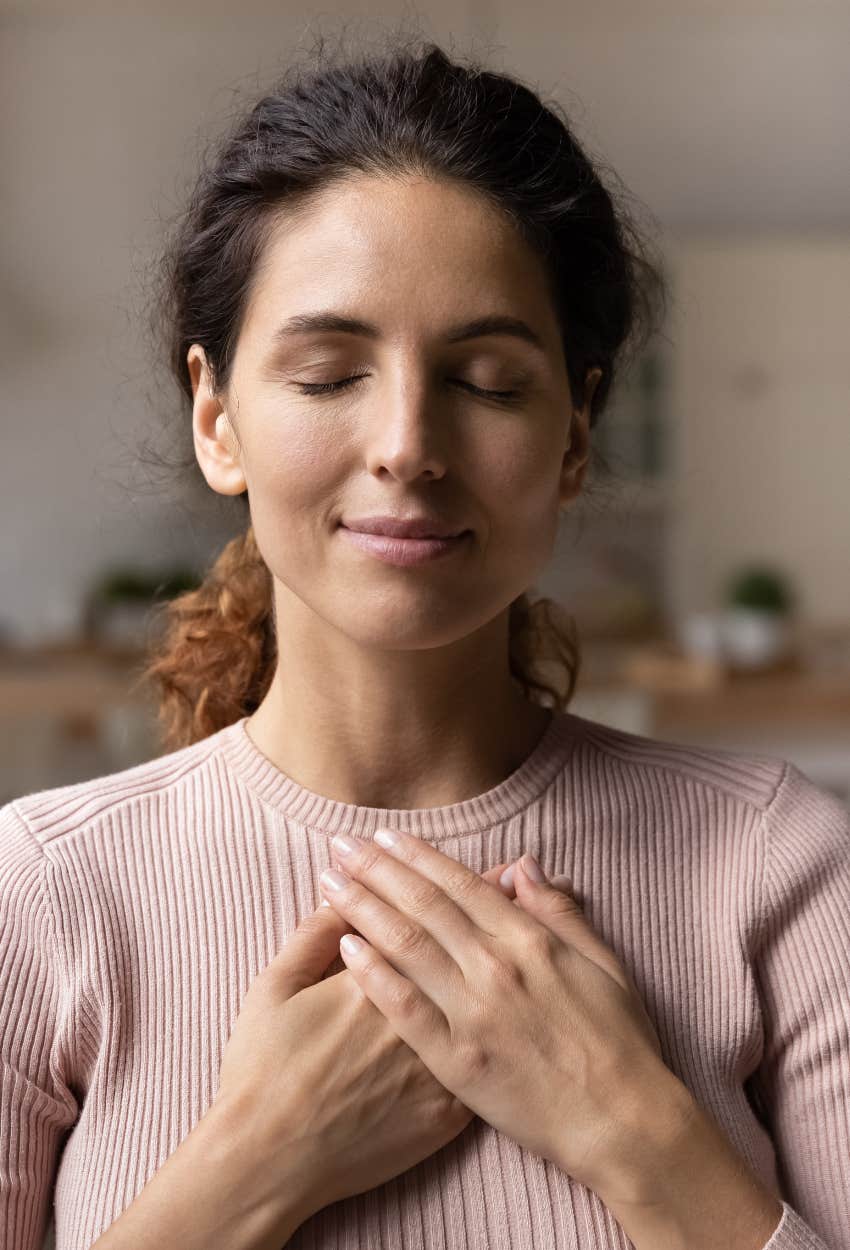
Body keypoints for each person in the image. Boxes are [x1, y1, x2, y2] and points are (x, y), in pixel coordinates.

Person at [2, 31, 848, 1250]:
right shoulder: (39, 894)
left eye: (491, 381)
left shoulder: (779, 871)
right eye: (329, 372)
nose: (406, 440)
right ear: (217, 416)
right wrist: (260, 1159)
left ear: (573, 433)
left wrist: (630, 1125)